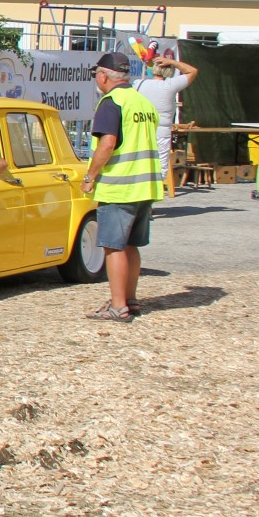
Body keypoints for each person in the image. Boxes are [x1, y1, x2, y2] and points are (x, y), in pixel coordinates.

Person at [82, 51, 165, 322]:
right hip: (145, 187)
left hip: (120, 185)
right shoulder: (142, 102)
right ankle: (130, 299)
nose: (97, 78)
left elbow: (107, 143)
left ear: (104, 75)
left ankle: (118, 306)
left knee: (113, 247)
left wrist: (90, 176)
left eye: (97, 74)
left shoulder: (111, 102)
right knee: (131, 245)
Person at [132, 55, 200, 185]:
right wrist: (172, 62)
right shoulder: (170, 85)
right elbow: (193, 71)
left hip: (140, 131)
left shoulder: (138, 84)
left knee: (138, 168)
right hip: (160, 133)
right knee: (159, 171)